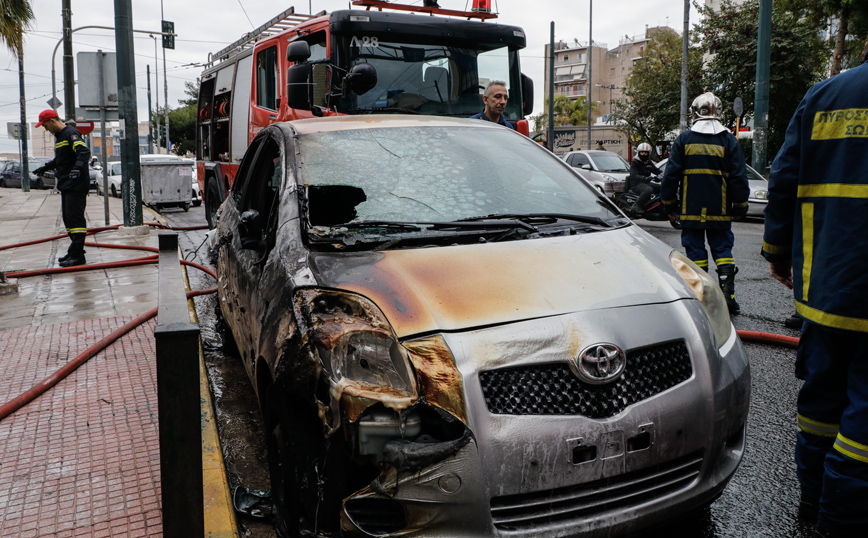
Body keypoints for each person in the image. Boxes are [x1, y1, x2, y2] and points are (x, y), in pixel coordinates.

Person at [761, 41, 868, 538]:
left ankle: (811, 503)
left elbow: (783, 180)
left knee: (822, 400)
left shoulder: (824, 96)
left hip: (826, 288)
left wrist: (776, 252)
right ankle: (841, 521)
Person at [661, 92, 749, 314]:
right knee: (723, 250)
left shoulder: (684, 139)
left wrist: (670, 206)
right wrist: (740, 207)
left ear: (694, 112)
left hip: (690, 210)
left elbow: (670, 176)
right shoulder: (729, 140)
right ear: (719, 112)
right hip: (720, 211)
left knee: (695, 251)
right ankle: (728, 296)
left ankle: (702, 298)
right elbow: (739, 177)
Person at [31, 109, 91, 267]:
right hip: (66, 184)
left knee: (75, 219)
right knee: (68, 219)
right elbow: (60, 159)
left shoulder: (70, 133)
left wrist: (77, 168)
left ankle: (78, 255)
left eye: (45, 125)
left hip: (76, 184)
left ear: (52, 121)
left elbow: (83, 152)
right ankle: (74, 251)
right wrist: (44, 167)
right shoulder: (59, 137)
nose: (45, 129)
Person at [626, 142, 662, 217]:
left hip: (646, 182)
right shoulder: (635, 162)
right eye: (642, 152)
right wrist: (645, 178)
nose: (643, 154)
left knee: (661, 187)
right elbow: (634, 175)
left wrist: (664, 174)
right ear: (638, 152)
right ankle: (636, 206)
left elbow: (656, 170)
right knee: (648, 190)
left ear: (648, 153)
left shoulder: (648, 161)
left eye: (645, 153)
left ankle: (654, 206)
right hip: (636, 184)